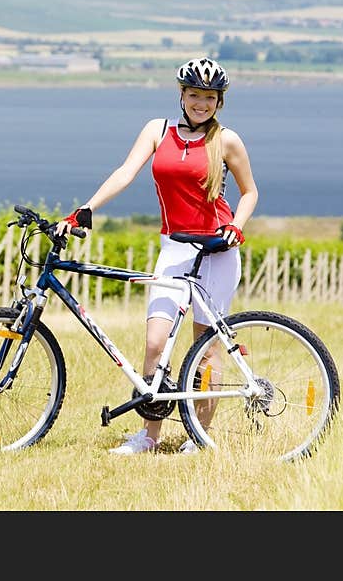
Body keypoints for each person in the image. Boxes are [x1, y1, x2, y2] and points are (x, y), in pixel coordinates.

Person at [55, 57, 258, 455]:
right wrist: (87, 208)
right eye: (194, 94)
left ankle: (200, 438)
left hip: (216, 251)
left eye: (209, 97)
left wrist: (236, 226)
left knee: (206, 348)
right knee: (154, 342)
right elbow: (125, 172)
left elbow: (250, 191)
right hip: (174, 247)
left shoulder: (227, 140)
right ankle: (148, 436)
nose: (201, 103)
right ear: (181, 95)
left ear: (219, 102)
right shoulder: (157, 130)